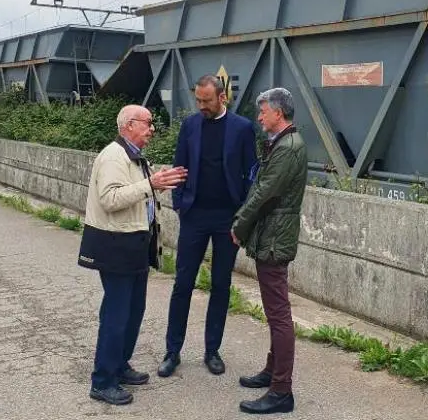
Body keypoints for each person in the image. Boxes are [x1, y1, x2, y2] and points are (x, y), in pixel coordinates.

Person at [77, 104, 187, 406]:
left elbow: (139, 193)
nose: (152, 129)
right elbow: (110, 198)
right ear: (129, 125)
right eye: (148, 123)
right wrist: (149, 184)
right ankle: (102, 380)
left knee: (132, 311)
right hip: (116, 245)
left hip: (135, 244)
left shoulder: (134, 155)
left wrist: (156, 184)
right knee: (116, 314)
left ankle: (120, 365)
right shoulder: (113, 156)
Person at [158, 74, 259, 378]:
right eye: (198, 100)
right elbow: (178, 167)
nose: (201, 105)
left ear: (222, 98)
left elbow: (251, 174)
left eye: (206, 101)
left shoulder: (242, 128)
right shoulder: (190, 125)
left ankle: (212, 351)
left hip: (227, 218)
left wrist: (242, 216)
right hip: (194, 216)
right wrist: (179, 204)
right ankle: (172, 352)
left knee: (220, 285)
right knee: (182, 284)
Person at [230, 87, 308, 415]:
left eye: (263, 111)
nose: (259, 117)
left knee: (278, 315)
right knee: (275, 311)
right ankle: (271, 373)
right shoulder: (284, 143)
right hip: (272, 234)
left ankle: (281, 391)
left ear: (278, 113)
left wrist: (239, 225)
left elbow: (264, 192)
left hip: (275, 238)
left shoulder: (288, 147)